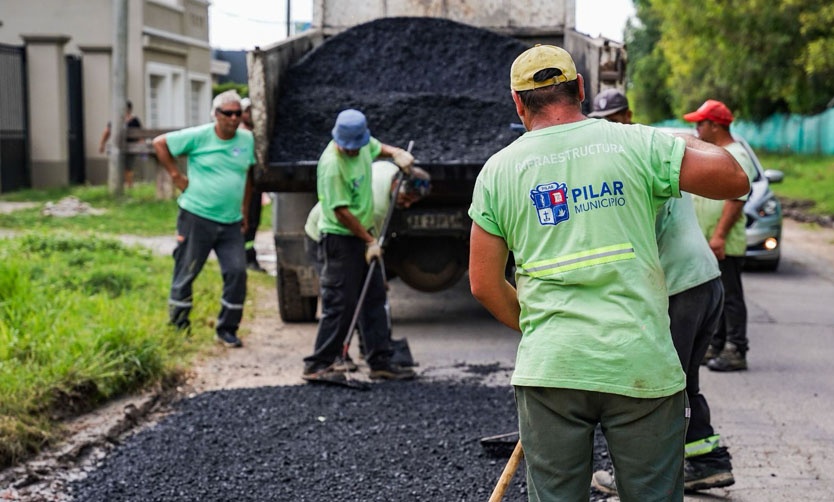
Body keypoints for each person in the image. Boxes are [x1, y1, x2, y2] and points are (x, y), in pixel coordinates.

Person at [467, 45, 750, 501]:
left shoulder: (497, 171)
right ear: (580, 88)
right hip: (639, 362)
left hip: (552, 367)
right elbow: (735, 178)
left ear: (517, 102)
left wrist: (543, 329)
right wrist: (668, 139)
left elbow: (482, 283)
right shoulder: (637, 144)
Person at [588, 90, 735, 494]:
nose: (609, 126)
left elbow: (636, 239)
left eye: (615, 118)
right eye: (603, 120)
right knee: (682, 381)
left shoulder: (635, 162)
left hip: (682, 287)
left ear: (628, 116)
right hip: (704, 280)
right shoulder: (651, 151)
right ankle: (708, 461)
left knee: (652, 387)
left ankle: (637, 475)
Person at [302, 109, 417, 382]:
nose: (353, 151)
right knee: (340, 302)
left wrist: (396, 154)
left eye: (356, 147)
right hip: (338, 238)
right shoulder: (331, 165)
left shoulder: (364, 144)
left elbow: (378, 147)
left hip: (362, 234)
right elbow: (340, 211)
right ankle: (319, 364)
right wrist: (369, 241)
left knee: (374, 298)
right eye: (348, 147)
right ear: (338, 140)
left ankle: (380, 361)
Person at [152, 90, 255, 349]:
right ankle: (178, 326)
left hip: (231, 221)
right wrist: (176, 176)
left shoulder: (247, 140)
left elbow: (248, 179)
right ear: (215, 115)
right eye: (227, 113)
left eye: (237, 113)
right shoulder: (200, 136)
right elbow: (159, 143)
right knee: (187, 270)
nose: (233, 118)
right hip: (196, 217)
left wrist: (244, 211)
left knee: (237, 272)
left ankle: (227, 329)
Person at [304, 161, 431, 367]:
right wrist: (377, 272)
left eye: (411, 202)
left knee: (372, 294)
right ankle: (332, 356)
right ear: (396, 185)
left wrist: (376, 277)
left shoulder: (391, 169)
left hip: (352, 235)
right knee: (342, 298)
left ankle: (371, 350)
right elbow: (370, 243)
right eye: (406, 198)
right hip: (324, 235)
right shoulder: (379, 207)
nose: (406, 205)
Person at [683, 100, 758, 372]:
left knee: (731, 297)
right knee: (717, 297)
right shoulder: (716, 153)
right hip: (710, 241)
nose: (697, 128)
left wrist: (719, 236)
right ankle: (717, 345)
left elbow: (736, 200)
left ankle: (736, 348)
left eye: (701, 123)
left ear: (715, 125)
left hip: (724, 243)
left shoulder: (736, 154)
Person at [238, 98, 267, 273]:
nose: (249, 115)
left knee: (254, 221)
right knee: (245, 221)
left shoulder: (256, 134)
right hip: (242, 186)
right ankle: (246, 257)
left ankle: (249, 255)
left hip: (255, 186)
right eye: (246, 111)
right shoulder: (241, 135)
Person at [99, 100, 142, 188]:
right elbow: (107, 131)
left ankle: (129, 185)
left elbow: (140, 135)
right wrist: (102, 144)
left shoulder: (134, 120)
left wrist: (141, 147)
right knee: (118, 167)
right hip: (117, 147)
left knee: (128, 168)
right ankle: (117, 185)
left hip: (130, 147)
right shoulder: (115, 120)